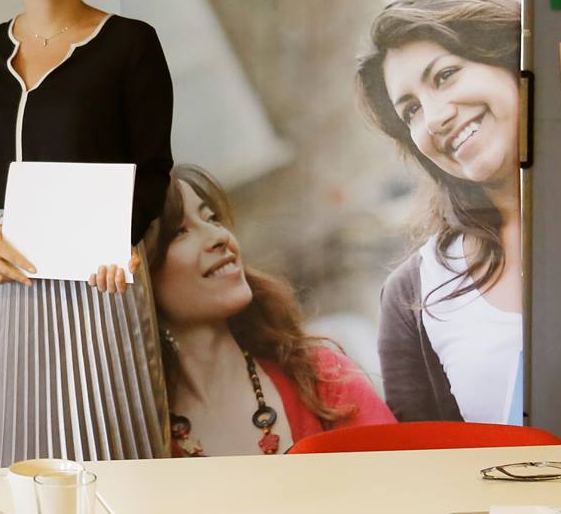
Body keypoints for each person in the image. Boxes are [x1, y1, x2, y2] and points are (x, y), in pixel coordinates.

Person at [0, 0, 175, 467]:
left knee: (107, 445)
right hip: (1, 273)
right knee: (5, 444)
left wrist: (117, 241)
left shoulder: (130, 45)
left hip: (98, 272)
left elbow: (153, 169)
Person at [355, 0, 524, 424]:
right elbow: (430, 458)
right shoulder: (415, 296)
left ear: (512, 59)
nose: (435, 118)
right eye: (411, 110)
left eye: (445, 76)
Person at [148, 164, 393, 455]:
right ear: (142, 278)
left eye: (212, 218)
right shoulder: (143, 442)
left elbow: (395, 477)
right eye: (180, 232)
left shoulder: (321, 378)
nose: (219, 236)